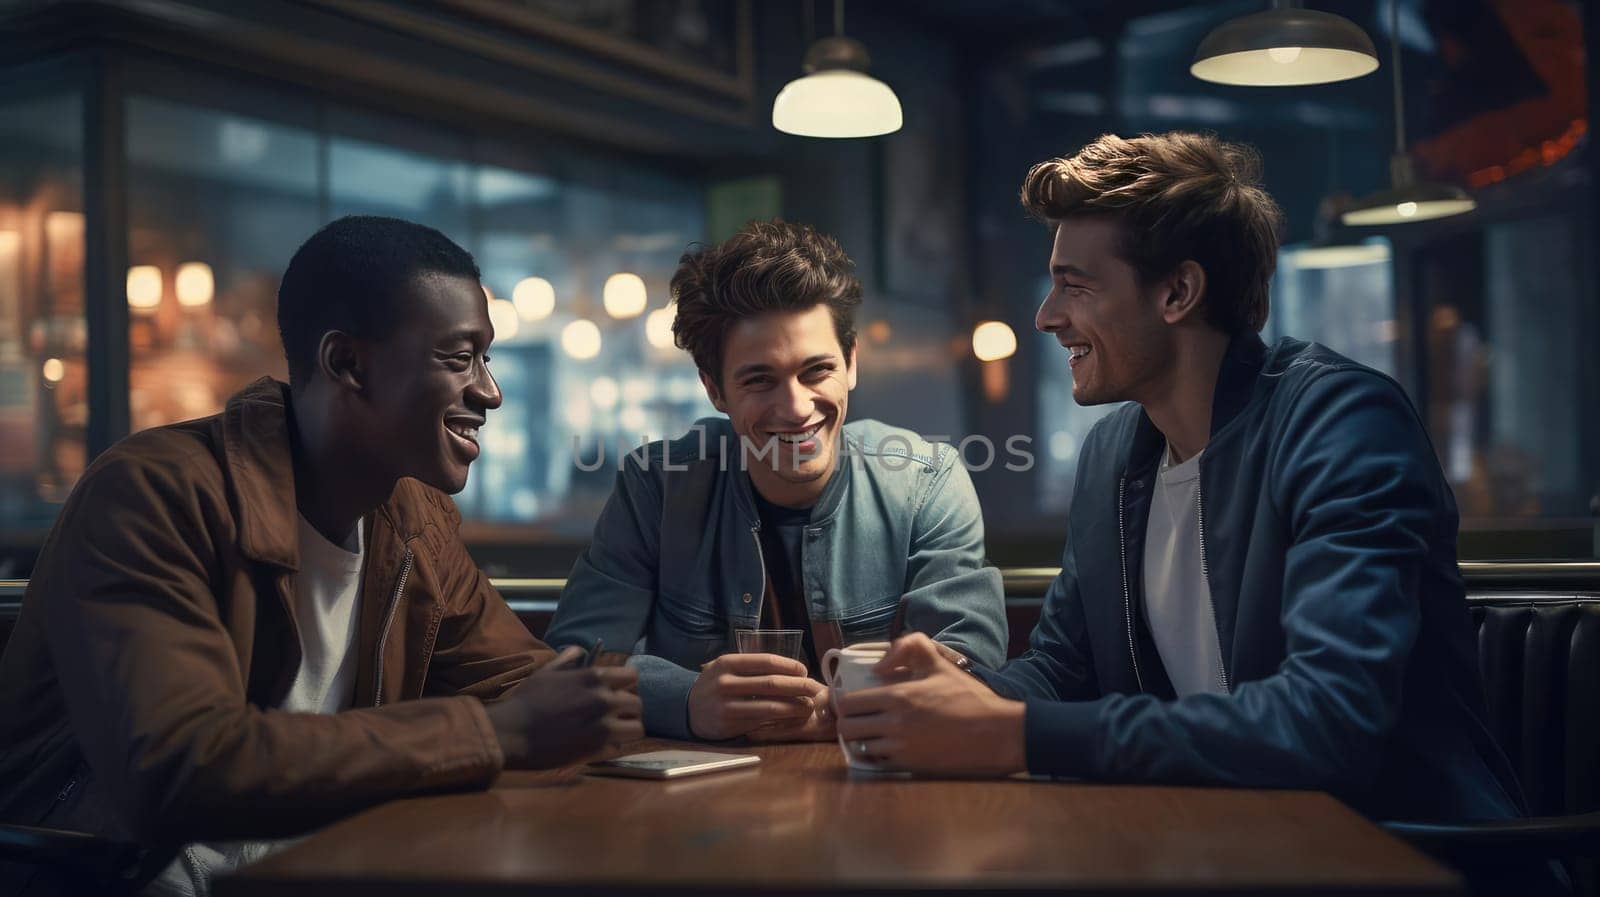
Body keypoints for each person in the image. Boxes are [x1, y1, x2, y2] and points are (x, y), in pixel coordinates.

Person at [836, 132, 1530, 826]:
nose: (1047, 316)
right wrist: (922, 702)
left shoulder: (1342, 422)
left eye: (1074, 286)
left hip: (1409, 853)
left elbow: (1327, 722)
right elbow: (1058, 667)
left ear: (1178, 291)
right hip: (1224, 841)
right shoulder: (1113, 454)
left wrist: (1008, 732)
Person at [0, 216, 641, 896]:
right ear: (347, 364)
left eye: (488, 359)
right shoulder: (155, 495)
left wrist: (643, 701)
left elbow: (525, 687)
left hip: (316, 868)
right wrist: (490, 734)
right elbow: (177, 768)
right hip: (109, 875)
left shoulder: (414, 520)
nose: (489, 391)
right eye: (459, 358)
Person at [547, 220, 1007, 742]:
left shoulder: (927, 480)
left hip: (885, 792)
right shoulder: (657, 487)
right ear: (714, 389)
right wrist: (687, 699)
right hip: (701, 806)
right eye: (759, 379)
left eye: (816, 371)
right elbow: (578, 661)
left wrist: (849, 706)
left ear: (851, 363)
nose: (795, 408)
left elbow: (969, 663)